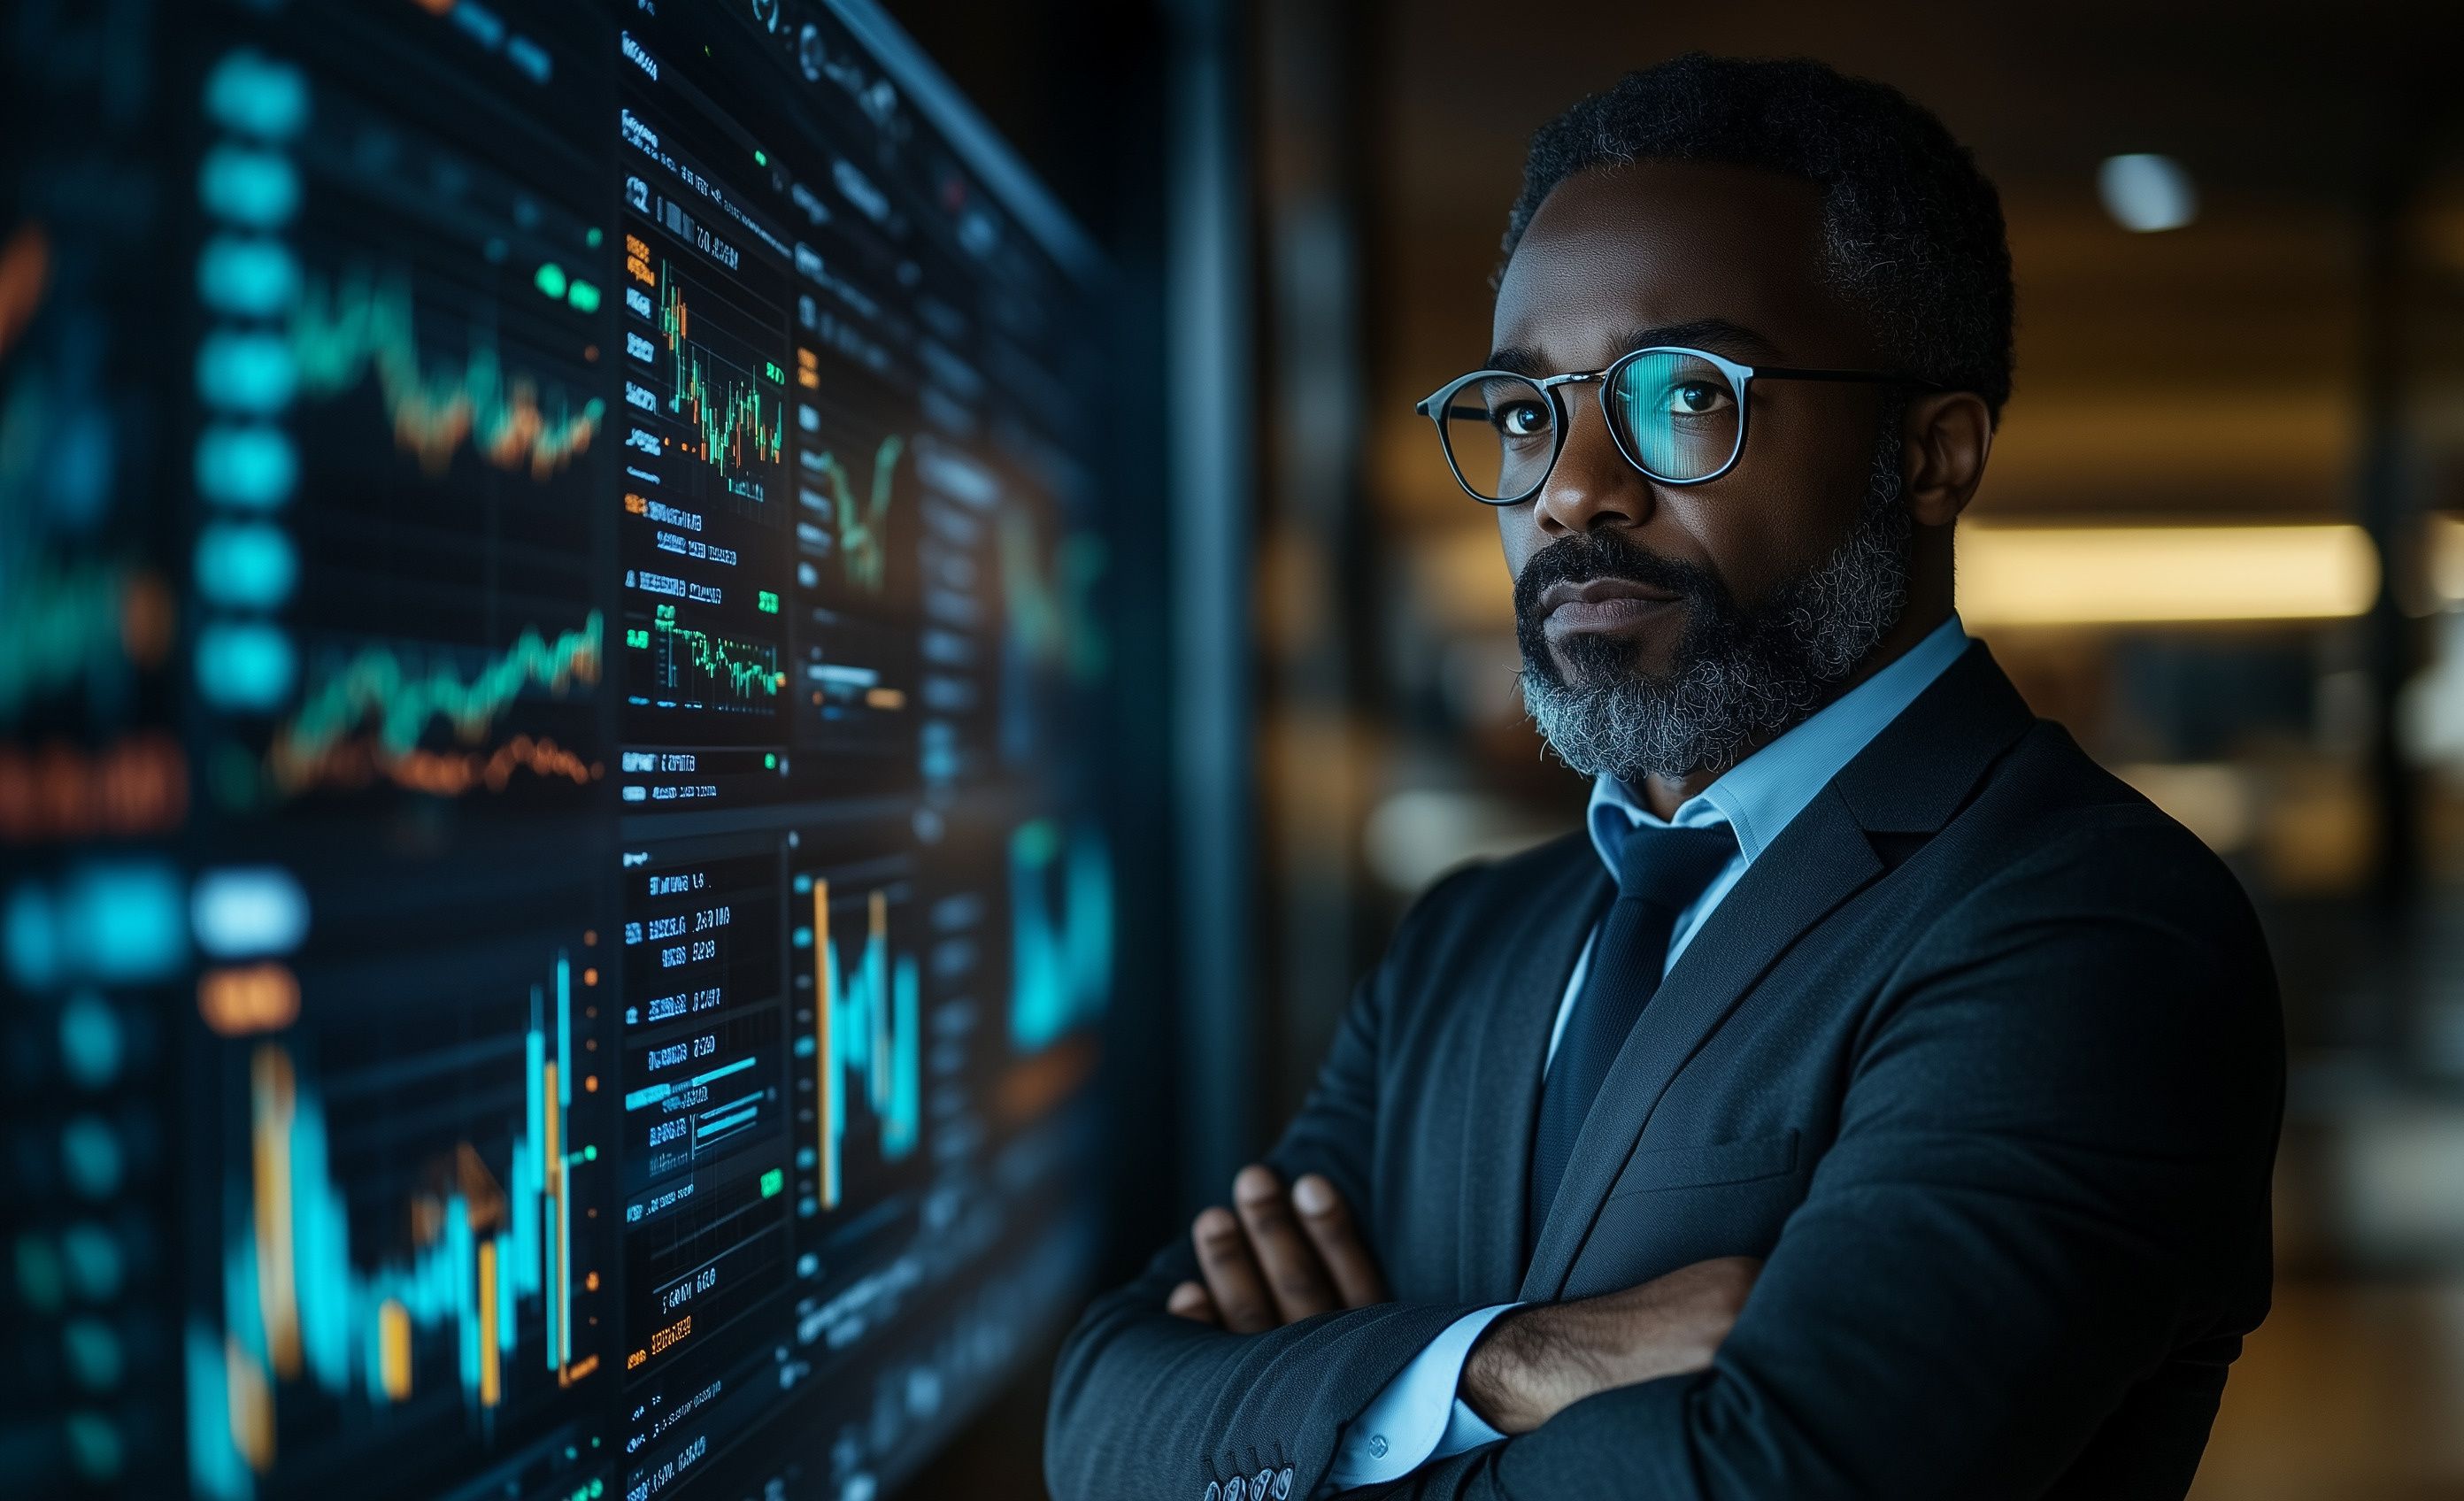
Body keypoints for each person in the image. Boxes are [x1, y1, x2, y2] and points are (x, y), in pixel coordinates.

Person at [1045, 53, 2283, 1501]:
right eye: (1523, 410)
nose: (1573, 487)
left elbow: (1783, 1479)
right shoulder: (1467, 942)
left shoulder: (2089, 926)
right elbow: (1097, 1426)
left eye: (1685, 394)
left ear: (1932, 455)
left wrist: (1333, 1414)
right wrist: (1510, 1362)